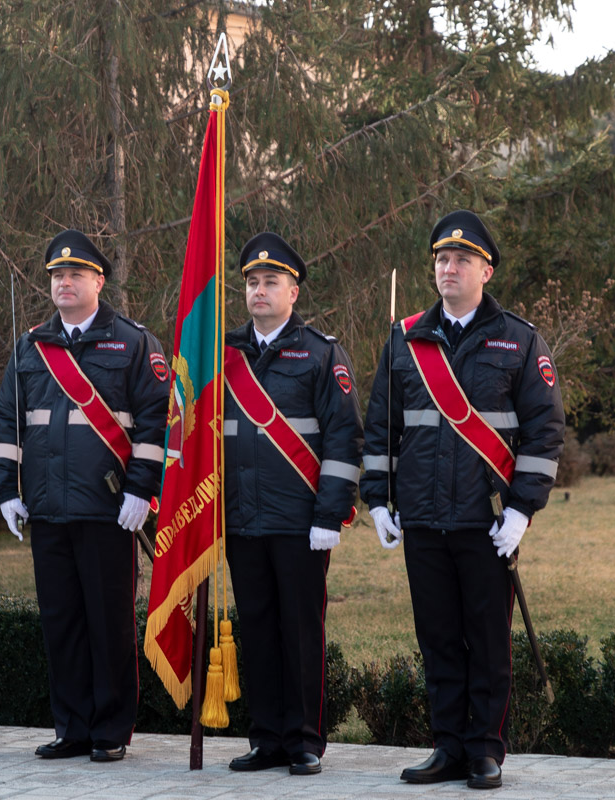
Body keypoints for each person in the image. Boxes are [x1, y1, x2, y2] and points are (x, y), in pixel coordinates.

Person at [361, 210, 565, 789]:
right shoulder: (404, 339)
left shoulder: (520, 340)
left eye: (462, 260)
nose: (449, 268)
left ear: (486, 271)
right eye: (442, 260)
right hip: (422, 517)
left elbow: (545, 431)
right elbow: (382, 428)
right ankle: (447, 746)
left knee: (488, 640)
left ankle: (485, 750)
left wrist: (522, 509)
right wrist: (377, 499)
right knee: (439, 639)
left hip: (486, 520)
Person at [0, 229, 169, 763]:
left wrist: (141, 490)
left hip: (108, 511)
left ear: (99, 281)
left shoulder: (134, 343)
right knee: (61, 622)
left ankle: (110, 730)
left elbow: (156, 423)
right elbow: (7, 424)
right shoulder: (30, 347)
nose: (64, 283)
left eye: (75, 274)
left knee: (109, 623)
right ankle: (71, 727)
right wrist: (5, 490)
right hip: (47, 509)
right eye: (57, 275)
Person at [222, 232, 364, 777]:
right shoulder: (221, 355)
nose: (260, 291)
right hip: (241, 519)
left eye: (271, 282)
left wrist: (330, 515)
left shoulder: (322, 354)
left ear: (293, 292)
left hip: (301, 523)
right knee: (257, 628)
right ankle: (267, 738)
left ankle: (304, 739)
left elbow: (343, 439)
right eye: (252, 283)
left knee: (300, 631)